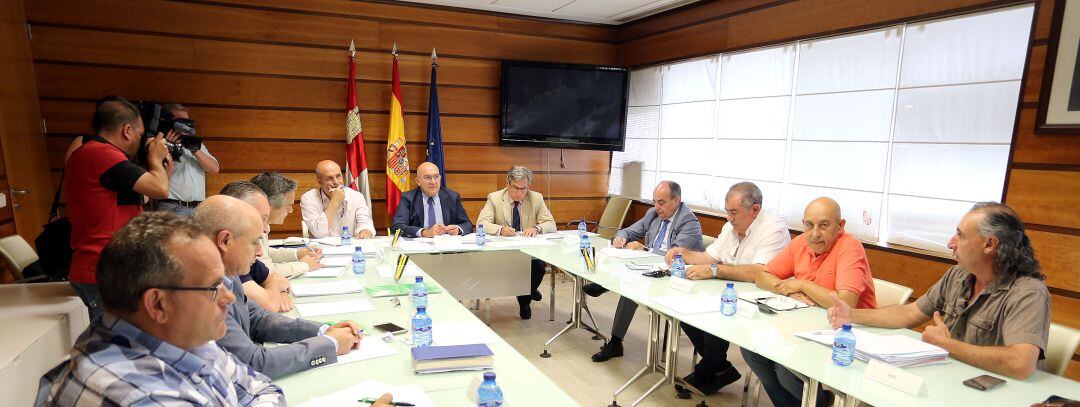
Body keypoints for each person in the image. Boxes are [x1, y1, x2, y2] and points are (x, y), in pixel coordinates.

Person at [35, 211, 285, 406]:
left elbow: (261, 388)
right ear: (158, 304)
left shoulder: (182, 335)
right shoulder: (141, 398)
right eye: (213, 287)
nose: (229, 297)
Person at [828, 202, 1050, 380]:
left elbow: (1021, 363)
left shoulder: (1028, 293)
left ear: (989, 244)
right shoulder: (959, 275)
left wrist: (947, 345)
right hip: (950, 382)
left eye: (960, 236)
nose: (950, 243)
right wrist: (852, 315)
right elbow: (910, 313)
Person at [193, 195, 361, 379]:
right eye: (254, 242)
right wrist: (330, 344)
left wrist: (323, 331)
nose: (260, 251)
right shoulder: (201, 289)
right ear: (225, 240)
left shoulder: (228, 272)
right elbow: (253, 363)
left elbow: (257, 318)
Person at [740, 197, 876, 407]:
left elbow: (845, 303)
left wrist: (802, 284)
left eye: (824, 225)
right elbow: (762, 275)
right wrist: (787, 291)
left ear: (840, 226)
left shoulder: (850, 247)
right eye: (809, 225)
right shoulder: (800, 243)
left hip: (849, 333)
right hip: (806, 325)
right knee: (752, 351)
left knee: (787, 369)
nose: (815, 234)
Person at [663, 182, 790, 396]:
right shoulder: (731, 227)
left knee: (716, 313)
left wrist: (714, 270)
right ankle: (719, 368)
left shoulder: (773, 228)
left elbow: (758, 273)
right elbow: (709, 257)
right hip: (731, 292)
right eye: (727, 212)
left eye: (733, 212)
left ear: (755, 210)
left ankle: (709, 370)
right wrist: (684, 253)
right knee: (685, 309)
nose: (729, 218)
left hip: (762, 301)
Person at [65, 95, 171, 323]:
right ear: (126, 130)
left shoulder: (90, 154)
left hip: (101, 267)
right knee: (116, 344)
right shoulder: (102, 154)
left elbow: (142, 196)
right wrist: (154, 157)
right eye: (140, 135)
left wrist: (163, 169)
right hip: (104, 269)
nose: (140, 141)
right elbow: (160, 189)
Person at [587, 181, 703, 363]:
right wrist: (621, 238)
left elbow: (675, 256)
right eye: (655, 201)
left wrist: (646, 250)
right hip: (649, 270)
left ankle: (605, 288)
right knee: (631, 284)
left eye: (661, 202)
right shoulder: (653, 213)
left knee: (631, 285)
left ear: (677, 200)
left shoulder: (689, 223)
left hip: (676, 278)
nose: (657, 207)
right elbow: (629, 231)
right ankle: (616, 342)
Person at [477, 166, 557, 319]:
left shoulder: (536, 198)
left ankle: (524, 300)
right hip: (503, 254)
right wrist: (500, 229)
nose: (520, 193)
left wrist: (536, 227)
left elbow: (551, 224)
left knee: (539, 267)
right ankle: (528, 292)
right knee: (518, 270)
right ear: (508, 183)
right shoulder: (494, 198)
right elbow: (482, 223)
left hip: (529, 253)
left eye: (524, 188)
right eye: (516, 188)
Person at [219, 181, 305, 313]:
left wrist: (278, 290)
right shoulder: (231, 257)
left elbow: (274, 277)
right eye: (262, 218)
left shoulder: (243, 250)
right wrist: (275, 290)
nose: (266, 229)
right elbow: (269, 304)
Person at [252, 171, 323, 279]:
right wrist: (303, 265)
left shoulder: (261, 224)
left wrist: (298, 253)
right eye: (288, 205)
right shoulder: (251, 227)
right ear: (268, 204)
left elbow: (264, 254)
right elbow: (266, 272)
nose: (290, 211)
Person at [156, 103, 220, 217]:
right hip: (173, 207)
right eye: (180, 121)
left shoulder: (197, 145)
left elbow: (214, 169)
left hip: (198, 208)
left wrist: (195, 150)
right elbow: (158, 178)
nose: (185, 126)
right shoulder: (159, 144)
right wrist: (170, 148)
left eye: (187, 121)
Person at [391, 161, 473, 237]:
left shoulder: (452, 197)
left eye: (436, 177)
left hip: (446, 246)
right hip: (419, 248)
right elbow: (397, 227)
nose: (433, 182)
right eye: (427, 178)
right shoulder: (408, 198)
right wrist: (425, 232)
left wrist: (458, 229)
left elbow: (467, 224)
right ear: (418, 181)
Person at [300, 160, 375, 239]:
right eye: (330, 178)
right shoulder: (309, 198)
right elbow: (318, 232)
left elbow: (366, 224)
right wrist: (335, 201)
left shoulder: (356, 196)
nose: (336, 182)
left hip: (350, 247)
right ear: (319, 182)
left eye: (338, 176)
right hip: (322, 249)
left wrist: (365, 231)